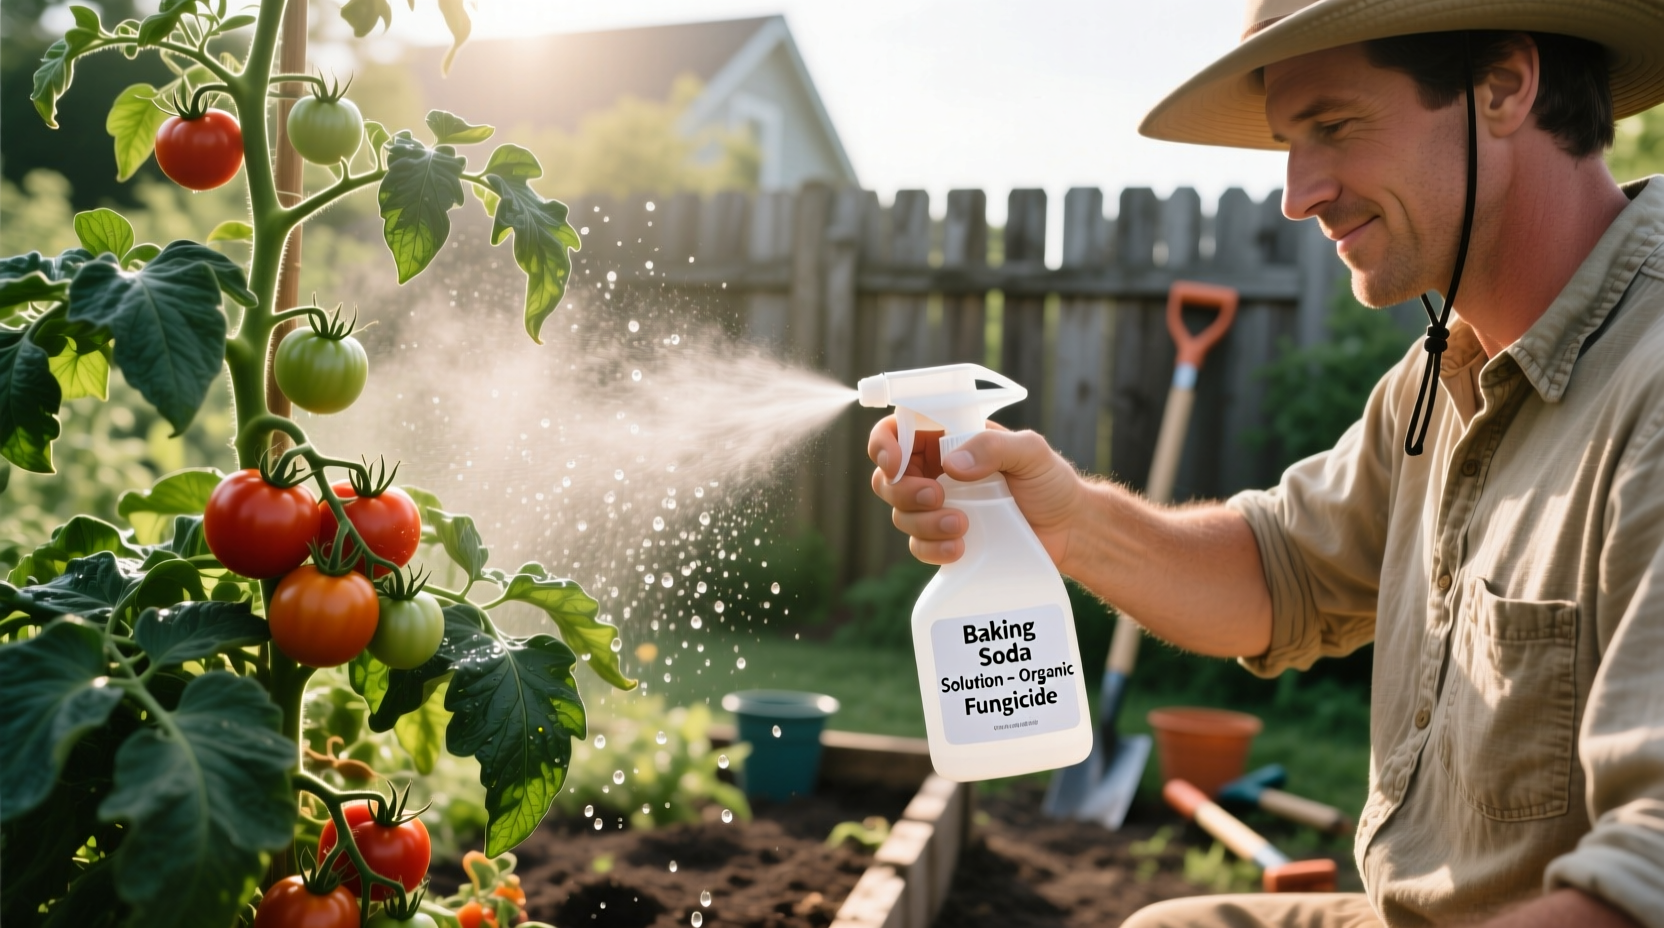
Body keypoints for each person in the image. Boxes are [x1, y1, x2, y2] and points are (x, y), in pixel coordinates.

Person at [867, 1, 1664, 926]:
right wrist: (1066, 520)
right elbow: (1278, 572)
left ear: (1503, 84)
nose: (1298, 193)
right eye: (1291, 141)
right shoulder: (1441, 377)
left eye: (1332, 127)